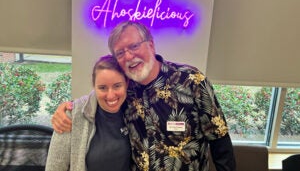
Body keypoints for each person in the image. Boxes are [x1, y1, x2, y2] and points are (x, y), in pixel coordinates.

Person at [51, 21, 236, 171]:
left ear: (151, 44)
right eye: (120, 53)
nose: (129, 56)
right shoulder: (125, 90)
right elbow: (100, 97)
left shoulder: (191, 81)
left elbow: (220, 140)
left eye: (134, 46)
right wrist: (67, 109)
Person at [45, 55, 133, 171]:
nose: (111, 95)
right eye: (102, 88)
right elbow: (54, 167)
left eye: (117, 86)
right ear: (94, 86)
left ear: (126, 83)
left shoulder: (135, 111)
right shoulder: (73, 114)